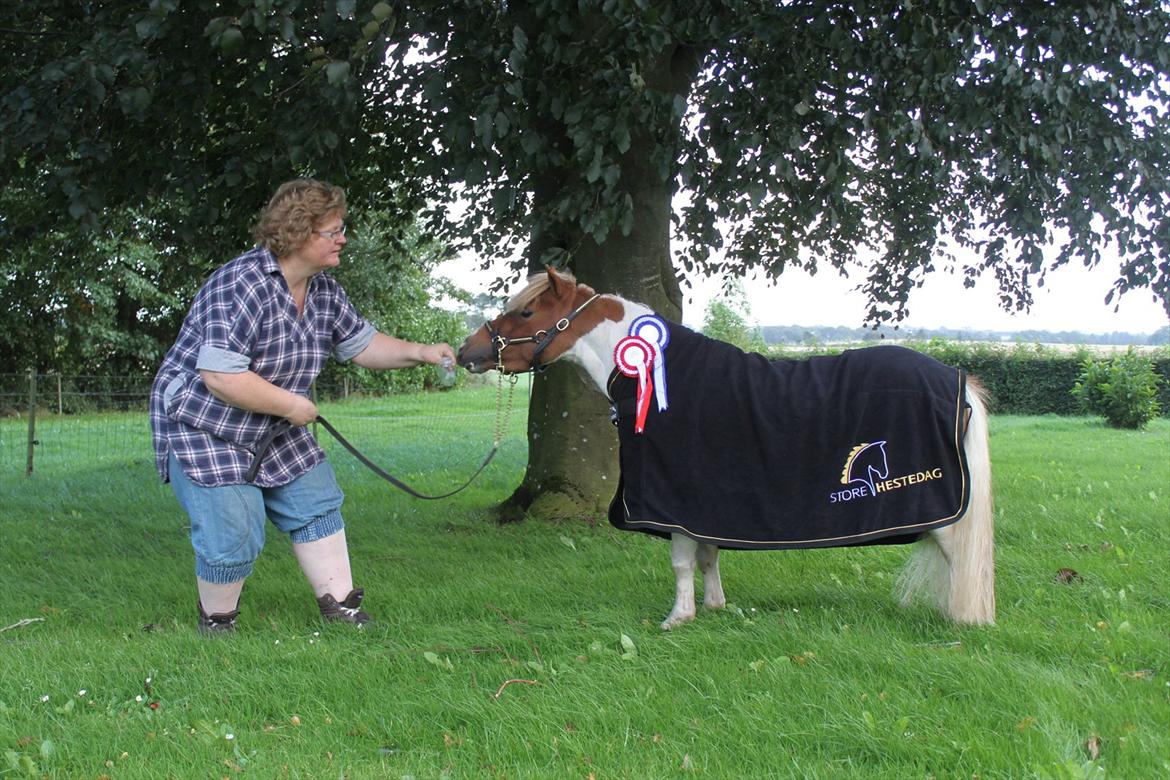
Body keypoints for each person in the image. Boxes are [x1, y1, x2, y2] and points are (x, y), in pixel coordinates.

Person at [149, 179, 454, 635]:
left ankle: (342, 610)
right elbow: (220, 376)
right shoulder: (240, 284)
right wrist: (292, 404)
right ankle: (217, 624)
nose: (342, 239)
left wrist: (422, 351)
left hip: (273, 420)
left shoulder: (324, 291)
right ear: (297, 233)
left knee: (316, 502)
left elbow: (363, 345)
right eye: (333, 231)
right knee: (234, 528)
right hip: (205, 425)